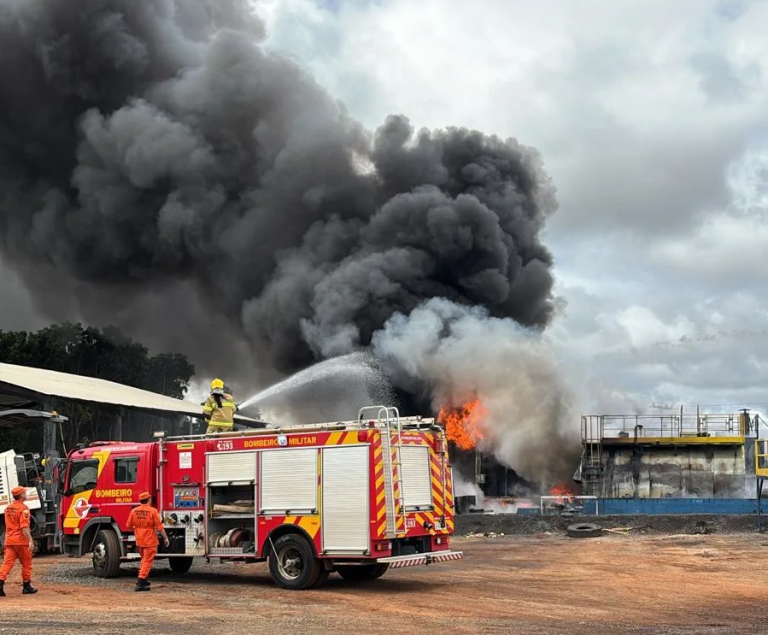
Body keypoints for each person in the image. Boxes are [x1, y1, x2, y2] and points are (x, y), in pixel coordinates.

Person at [126, 491, 169, 592]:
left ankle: (143, 580)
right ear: (149, 500)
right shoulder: (153, 511)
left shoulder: (134, 511)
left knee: (144, 560)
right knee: (147, 561)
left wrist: (137, 529)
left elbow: (128, 525)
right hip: (150, 539)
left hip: (139, 539)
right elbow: (159, 527)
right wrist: (166, 538)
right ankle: (141, 581)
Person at [0, 487, 37, 595]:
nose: (26, 494)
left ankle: (0, 584)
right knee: (26, 563)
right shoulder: (24, 509)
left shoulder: (8, 508)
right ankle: (26, 586)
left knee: (7, 564)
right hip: (21, 541)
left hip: (9, 540)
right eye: (24, 492)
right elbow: (24, 527)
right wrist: (30, 541)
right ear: (21, 495)